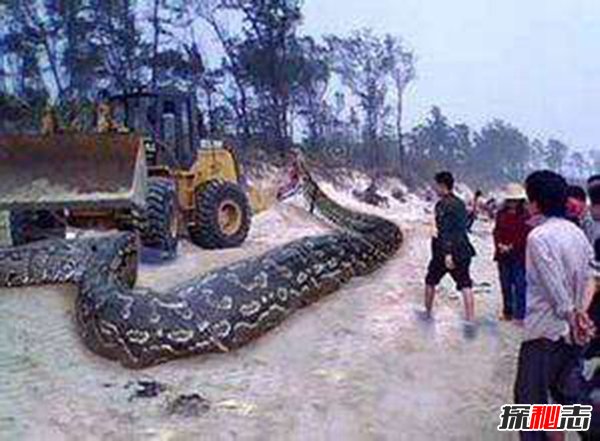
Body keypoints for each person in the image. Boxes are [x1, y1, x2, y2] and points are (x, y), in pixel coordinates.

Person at [514, 171, 595, 441]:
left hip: (544, 334)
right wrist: (581, 315)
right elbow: (589, 278)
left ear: (536, 202)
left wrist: (572, 314)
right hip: (571, 337)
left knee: (528, 409)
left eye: (528, 199)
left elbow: (554, 288)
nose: (527, 205)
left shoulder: (539, 237)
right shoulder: (578, 234)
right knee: (561, 401)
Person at [424, 171, 476, 323]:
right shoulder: (460, 203)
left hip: (444, 252)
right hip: (463, 248)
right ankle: (470, 319)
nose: (435, 189)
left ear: (442, 185)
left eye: (437, 186)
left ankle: (427, 314)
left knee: (430, 280)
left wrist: (447, 254)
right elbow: (465, 225)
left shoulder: (442, 205)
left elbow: (445, 230)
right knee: (465, 283)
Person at [493, 183, 530, 322]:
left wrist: (512, 246)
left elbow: (525, 235)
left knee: (520, 285)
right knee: (505, 285)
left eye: (515, 200)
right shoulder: (501, 214)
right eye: (510, 200)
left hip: (519, 255)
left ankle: (520, 314)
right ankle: (507, 312)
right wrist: (499, 245)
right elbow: (496, 231)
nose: (512, 203)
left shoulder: (526, 215)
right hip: (503, 255)